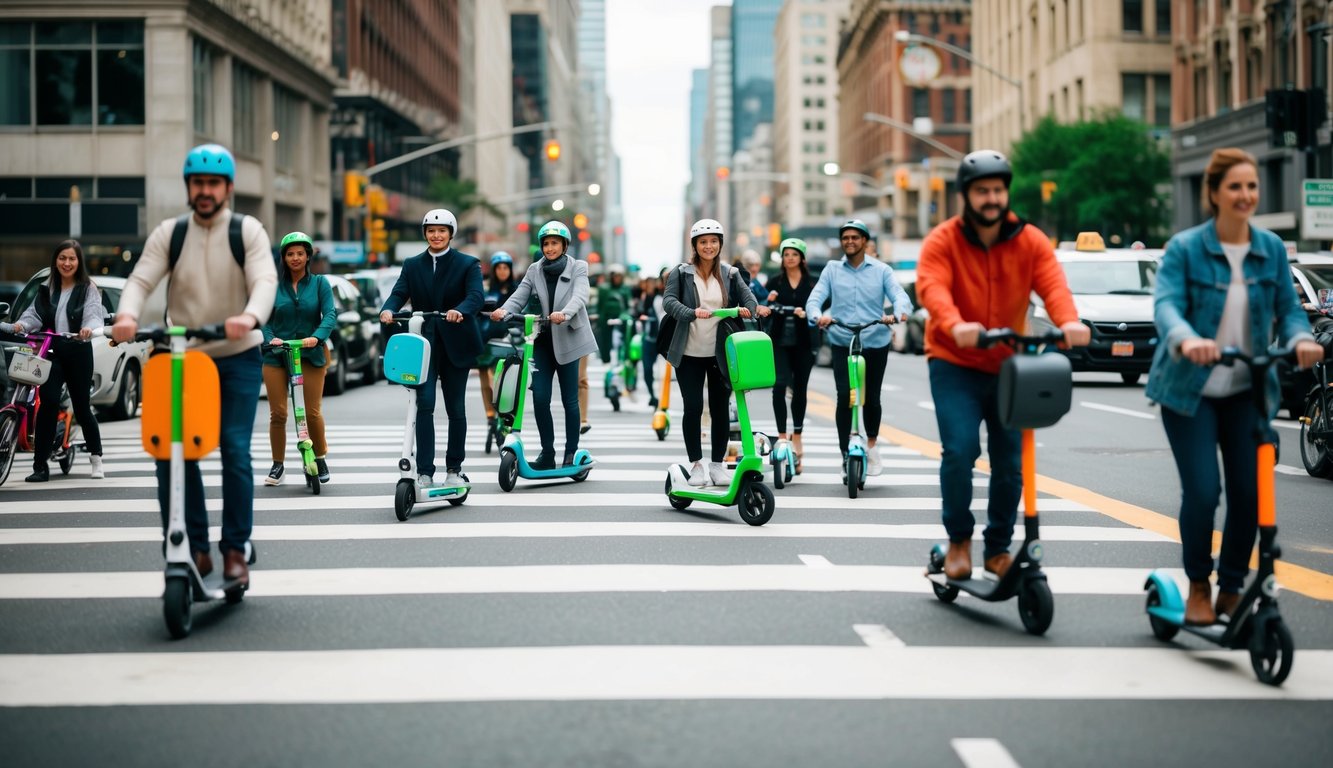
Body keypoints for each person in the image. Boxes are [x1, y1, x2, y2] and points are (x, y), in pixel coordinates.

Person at [1146, 147, 1323, 625]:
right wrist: (1186, 340)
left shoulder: (1270, 249)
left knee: (1251, 493)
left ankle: (1230, 586)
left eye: (1251, 187)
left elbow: (1287, 309)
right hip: (1189, 391)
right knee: (1204, 492)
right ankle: (1199, 585)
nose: (1245, 195)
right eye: (1235, 187)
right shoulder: (1186, 248)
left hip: (1247, 390)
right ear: (1213, 193)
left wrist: (1301, 338)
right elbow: (1166, 307)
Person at [916, 149, 1088, 582]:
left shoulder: (1030, 240)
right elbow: (931, 288)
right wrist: (955, 325)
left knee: (1010, 459)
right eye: (982, 191)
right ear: (966, 196)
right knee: (960, 451)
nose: (991, 198)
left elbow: (1052, 284)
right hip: (954, 361)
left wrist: (1068, 321)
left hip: (1009, 365)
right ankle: (958, 541)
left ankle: (996, 548)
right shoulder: (943, 240)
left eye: (997, 190)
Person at [111, 143, 277, 587]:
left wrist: (250, 316)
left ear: (227, 188)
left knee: (234, 450)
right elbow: (141, 279)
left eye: (213, 183)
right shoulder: (172, 232)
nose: (205, 191)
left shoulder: (248, 231)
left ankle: (235, 550)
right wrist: (127, 314)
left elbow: (264, 279)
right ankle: (195, 548)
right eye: (198, 183)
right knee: (171, 451)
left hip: (236, 355)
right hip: (183, 357)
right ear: (189, 186)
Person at [379, 208, 484, 488]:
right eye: (431, 230)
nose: (436, 235)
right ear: (425, 233)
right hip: (423, 343)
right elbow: (400, 292)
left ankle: (454, 468)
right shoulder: (413, 264)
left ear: (451, 233)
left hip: (456, 341)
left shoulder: (467, 263)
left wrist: (459, 310)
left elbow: (476, 296)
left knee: (456, 408)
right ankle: (425, 471)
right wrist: (389, 309)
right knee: (424, 405)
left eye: (441, 230)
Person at [805, 219, 913, 477]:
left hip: (875, 339)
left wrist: (897, 313)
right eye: (846, 238)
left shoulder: (882, 270)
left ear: (865, 241)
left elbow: (900, 295)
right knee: (844, 396)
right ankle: (845, 453)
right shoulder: (832, 269)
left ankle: (872, 445)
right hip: (843, 338)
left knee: (872, 397)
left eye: (855, 237)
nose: (850, 242)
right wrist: (817, 314)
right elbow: (816, 297)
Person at [661, 218, 764, 487]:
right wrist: (690, 313)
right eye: (703, 242)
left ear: (720, 244)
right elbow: (669, 302)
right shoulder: (681, 273)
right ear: (695, 245)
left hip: (721, 353)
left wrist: (748, 308)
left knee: (720, 410)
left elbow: (749, 298)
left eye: (714, 241)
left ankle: (717, 466)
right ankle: (696, 464)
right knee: (693, 407)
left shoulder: (730, 274)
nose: (709, 246)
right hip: (688, 352)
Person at [491, 221, 598, 468]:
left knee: (570, 399)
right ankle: (547, 454)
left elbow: (580, 295)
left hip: (569, 338)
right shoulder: (534, 269)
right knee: (540, 398)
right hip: (541, 341)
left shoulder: (578, 267)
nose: (550, 248)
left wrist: (565, 312)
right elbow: (520, 296)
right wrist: (503, 310)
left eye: (555, 243)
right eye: (546, 244)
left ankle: (571, 452)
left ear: (564, 245)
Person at [11, 239, 106, 482]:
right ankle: (40, 466)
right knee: (48, 403)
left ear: (79, 262)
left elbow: (95, 317)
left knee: (82, 407)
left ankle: (96, 458)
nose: (67, 263)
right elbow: (34, 315)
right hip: (51, 350)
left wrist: (87, 329)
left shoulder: (88, 288)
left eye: (71, 258)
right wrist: (21, 325)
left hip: (78, 350)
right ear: (55, 261)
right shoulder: (47, 287)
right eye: (62, 258)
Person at [261, 231, 337, 486]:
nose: (295, 258)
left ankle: (320, 456)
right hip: (276, 356)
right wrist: (271, 338)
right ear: (283, 258)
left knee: (311, 412)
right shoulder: (273, 287)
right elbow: (265, 319)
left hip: (311, 354)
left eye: (300, 254)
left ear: (308, 257)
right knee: (279, 413)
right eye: (290, 254)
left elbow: (330, 315)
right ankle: (277, 464)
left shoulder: (320, 284)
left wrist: (316, 337)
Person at [766, 237, 816, 474]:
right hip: (779, 343)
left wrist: (809, 313)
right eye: (786, 254)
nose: (790, 258)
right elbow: (763, 309)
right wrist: (770, 301)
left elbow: (821, 308)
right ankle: (782, 436)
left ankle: (797, 435)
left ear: (801, 258)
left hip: (804, 343)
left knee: (800, 389)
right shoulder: (774, 283)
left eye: (794, 254)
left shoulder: (812, 284)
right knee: (779, 386)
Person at [477, 251, 518, 424]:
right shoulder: (485, 290)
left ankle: (503, 411)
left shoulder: (517, 291)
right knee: (485, 378)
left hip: (507, 340)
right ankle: (489, 415)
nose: (502, 271)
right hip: (485, 339)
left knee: (501, 379)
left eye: (505, 268)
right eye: (499, 268)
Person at [635, 272, 663, 407]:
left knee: (663, 372)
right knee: (647, 369)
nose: (650, 286)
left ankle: (662, 397)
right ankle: (652, 395)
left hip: (663, 340)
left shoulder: (664, 297)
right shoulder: (645, 297)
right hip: (649, 338)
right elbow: (639, 314)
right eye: (648, 284)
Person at [595, 264, 630, 363]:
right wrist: (600, 318)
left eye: (619, 276)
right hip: (606, 317)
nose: (617, 278)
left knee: (626, 335)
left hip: (621, 317)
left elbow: (628, 305)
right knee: (605, 338)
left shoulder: (625, 289)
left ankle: (625, 357)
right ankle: (605, 358)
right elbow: (600, 305)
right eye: (615, 276)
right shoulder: (604, 288)